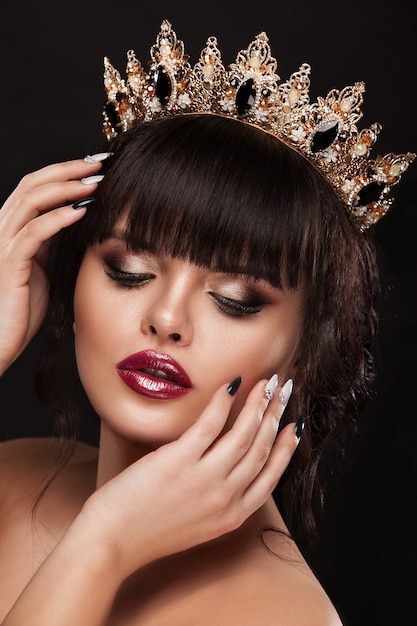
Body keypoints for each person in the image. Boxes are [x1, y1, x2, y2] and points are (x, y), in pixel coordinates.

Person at [0, 21, 413, 625]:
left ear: (308, 347)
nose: (166, 319)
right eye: (129, 269)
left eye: (237, 300)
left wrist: (103, 542)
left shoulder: (280, 616)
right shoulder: (11, 476)